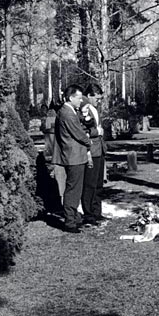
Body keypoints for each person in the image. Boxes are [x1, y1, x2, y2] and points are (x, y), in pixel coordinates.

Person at [53, 84, 92, 233]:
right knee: (73, 189)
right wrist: (89, 141)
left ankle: (74, 217)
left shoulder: (68, 111)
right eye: (79, 98)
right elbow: (77, 133)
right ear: (70, 98)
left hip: (74, 155)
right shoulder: (67, 113)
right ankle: (70, 222)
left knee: (75, 188)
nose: (81, 101)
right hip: (73, 156)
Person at [80, 83, 107, 226]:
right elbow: (82, 131)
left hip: (99, 150)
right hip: (91, 151)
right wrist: (97, 132)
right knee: (89, 184)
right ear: (89, 95)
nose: (99, 101)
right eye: (97, 98)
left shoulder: (94, 109)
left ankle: (97, 212)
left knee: (98, 184)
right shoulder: (83, 108)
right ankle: (88, 214)